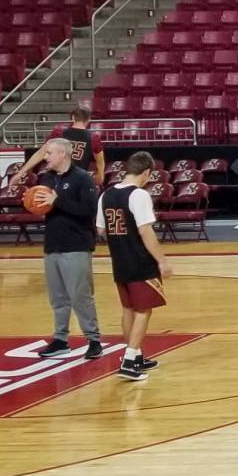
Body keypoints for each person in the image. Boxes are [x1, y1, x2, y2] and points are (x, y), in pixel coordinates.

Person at [13, 138, 103, 362]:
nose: (46, 157)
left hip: (77, 245)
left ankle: (94, 340)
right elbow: (45, 206)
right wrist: (33, 203)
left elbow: (88, 211)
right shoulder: (47, 178)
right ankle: (60, 340)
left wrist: (57, 201)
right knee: (58, 298)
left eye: (49, 153)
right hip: (52, 244)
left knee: (81, 296)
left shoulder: (83, 178)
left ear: (63, 154)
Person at [100, 151, 171, 382]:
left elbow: (101, 230)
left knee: (128, 308)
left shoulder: (106, 195)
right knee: (143, 310)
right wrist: (161, 260)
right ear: (147, 172)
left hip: (119, 260)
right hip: (139, 260)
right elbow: (145, 231)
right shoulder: (139, 195)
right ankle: (129, 360)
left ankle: (136, 354)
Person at [49, 104, 106, 184]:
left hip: (58, 178)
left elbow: (43, 152)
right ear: (88, 119)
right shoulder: (93, 137)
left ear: (72, 117)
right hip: (78, 180)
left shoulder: (59, 132)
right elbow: (100, 162)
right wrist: (100, 176)